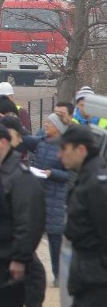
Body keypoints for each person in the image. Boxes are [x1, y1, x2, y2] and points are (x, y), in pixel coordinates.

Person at [0, 124, 46, 307]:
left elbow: (28, 222)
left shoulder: (20, 177)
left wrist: (20, 258)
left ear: (3, 143)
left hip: (9, 261)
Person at [58, 125, 107, 307]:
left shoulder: (96, 184)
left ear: (81, 150)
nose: (59, 155)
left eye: (64, 149)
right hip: (88, 277)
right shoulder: (86, 178)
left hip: (97, 282)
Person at [21, 113, 69, 287]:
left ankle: (59, 275)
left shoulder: (65, 147)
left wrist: (52, 173)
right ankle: (28, 272)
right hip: (39, 194)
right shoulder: (42, 142)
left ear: (58, 127)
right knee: (31, 234)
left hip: (56, 197)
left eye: (50, 122)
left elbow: (70, 174)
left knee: (55, 239)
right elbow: (26, 139)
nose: (46, 124)